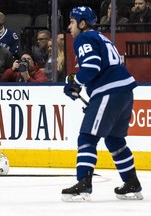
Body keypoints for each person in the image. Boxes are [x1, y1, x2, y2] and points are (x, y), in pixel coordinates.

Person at [62, 6, 143, 202]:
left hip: (109, 90)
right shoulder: (101, 37)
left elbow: (91, 66)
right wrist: (80, 83)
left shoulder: (83, 38)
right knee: (114, 139)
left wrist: (75, 83)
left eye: (72, 22)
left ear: (82, 24)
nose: (69, 26)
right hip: (123, 91)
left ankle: (83, 184)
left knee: (87, 137)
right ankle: (131, 183)